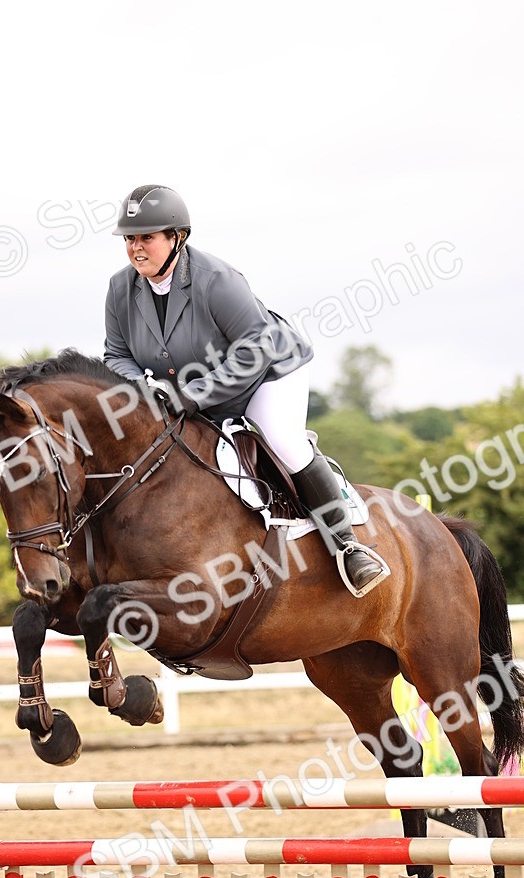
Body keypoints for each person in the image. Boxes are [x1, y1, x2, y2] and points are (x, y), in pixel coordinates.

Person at [103, 183, 388, 597]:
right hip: (189, 387)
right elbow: (116, 355)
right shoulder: (119, 289)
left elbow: (256, 348)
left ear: (176, 237)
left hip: (267, 373)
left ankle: (347, 546)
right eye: (130, 239)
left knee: (282, 440)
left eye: (147, 237)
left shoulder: (217, 280)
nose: (136, 248)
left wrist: (191, 394)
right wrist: (146, 390)